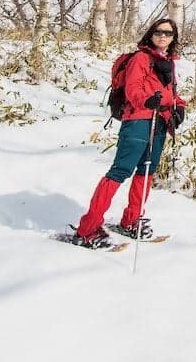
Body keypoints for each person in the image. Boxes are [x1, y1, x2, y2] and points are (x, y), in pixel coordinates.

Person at [69, 18, 187, 248]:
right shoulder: (141, 58)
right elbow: (133, 91)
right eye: (158, 32)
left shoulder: (168, 63)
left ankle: (131, 220)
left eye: (168, 33)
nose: (163, 36)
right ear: (150, 34)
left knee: (147, 171)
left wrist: (179, 106)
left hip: (160, 122)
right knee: (120, 171)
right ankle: (88, 228)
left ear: (173, 38)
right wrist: (153, 99)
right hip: (138, 121)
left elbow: (171, 91)